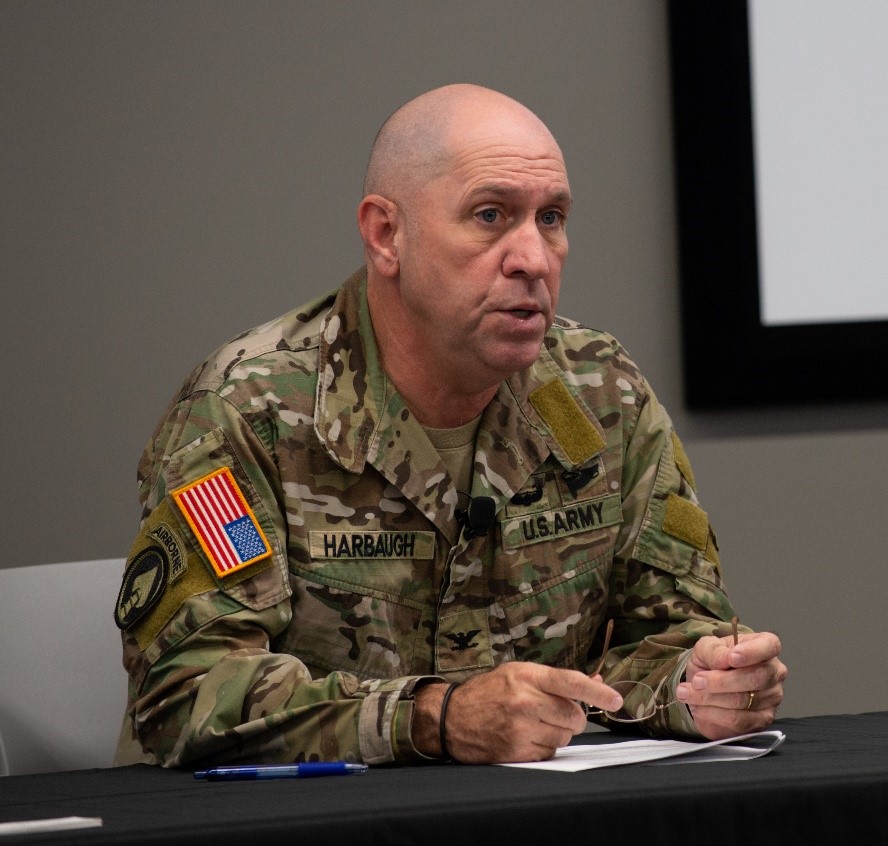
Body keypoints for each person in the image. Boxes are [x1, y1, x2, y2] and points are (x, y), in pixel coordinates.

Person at [114, 83, 786, 767]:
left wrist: (699, 685)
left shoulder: (598, 393)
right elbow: (188, 693)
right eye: (491, 215)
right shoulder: (250, 409)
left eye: (551, 218)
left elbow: (664, 633)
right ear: (385, 234)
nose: (532, 258)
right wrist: (435, 719)